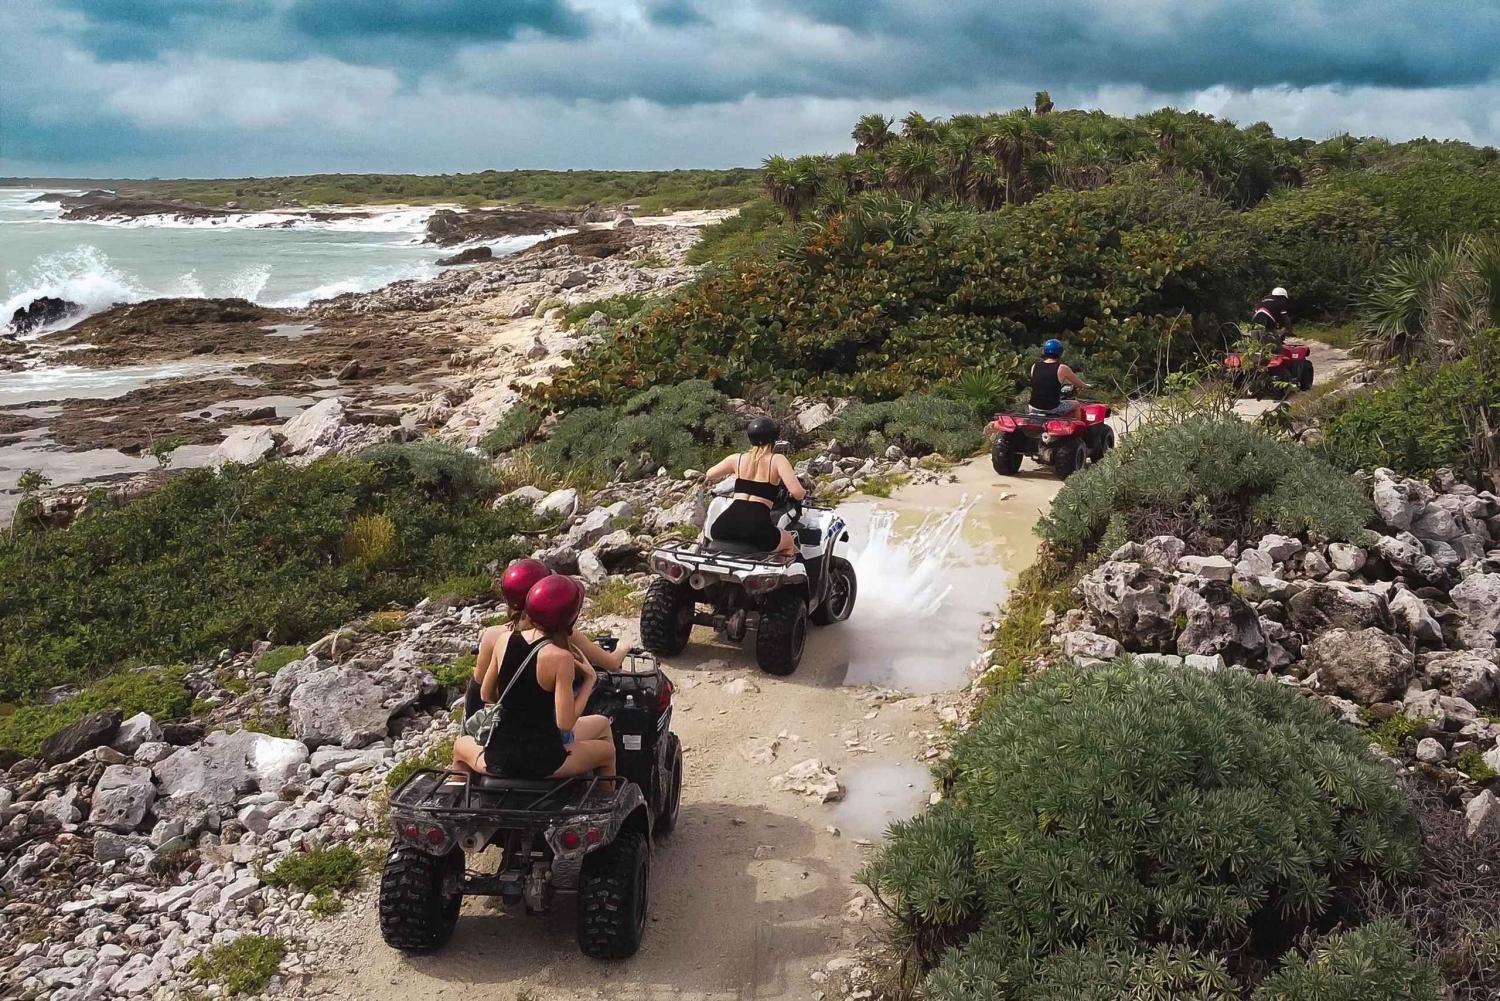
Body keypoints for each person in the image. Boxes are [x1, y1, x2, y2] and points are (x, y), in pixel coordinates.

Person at [450, 575, 617, 782]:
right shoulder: (561, 657)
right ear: (569, 618)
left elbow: (486, 694)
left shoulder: (503, 640)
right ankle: (603, 800)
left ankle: (457, 796)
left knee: (460, 746)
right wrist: (590, 679)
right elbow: (565, 723)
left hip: (497, 759)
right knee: (607, 752)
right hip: (544, 763)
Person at [464, 558, 629, 721]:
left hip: (480, 719)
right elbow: (611, 663)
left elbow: (480, 689)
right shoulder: (561, 637)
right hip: (532, 723)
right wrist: (624, 646)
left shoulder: (494, 635)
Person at [702, 417, 806, 556]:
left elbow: (710, 474)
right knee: (789, 542)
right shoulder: (777, 460)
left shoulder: (737, 459)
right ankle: (780, 569)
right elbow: (797, 492)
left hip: (724, 525)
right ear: (774, 438)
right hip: (757, 529)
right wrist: (803, 492)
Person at [1028, 339, 1088, 417]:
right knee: (1076, 404)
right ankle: (1078, 424)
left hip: (1033, 407)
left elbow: (1041, 383)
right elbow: (1078, 384)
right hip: (1052, 408)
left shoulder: (1034, 366)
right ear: (1060, 353)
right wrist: (1087, 386)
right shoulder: (1062, 368)